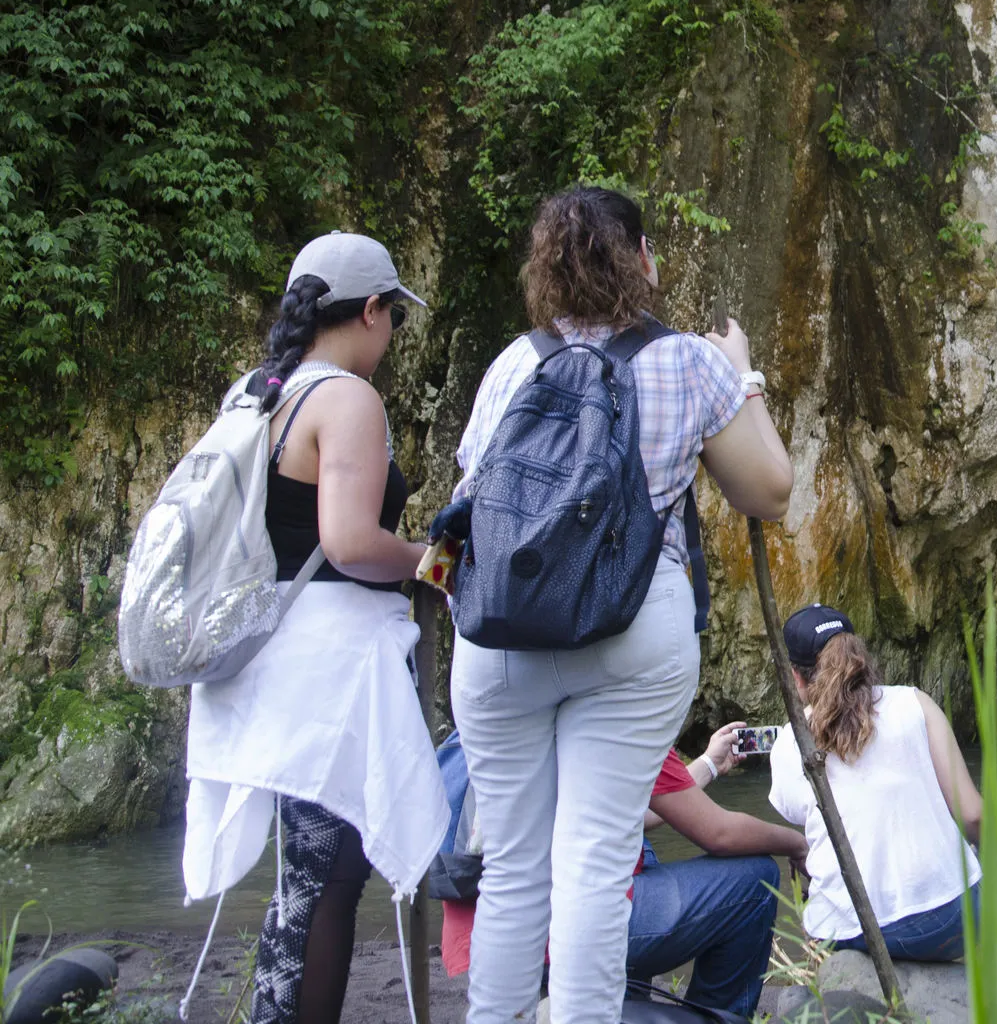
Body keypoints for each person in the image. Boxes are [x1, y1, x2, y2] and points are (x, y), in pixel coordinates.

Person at [451, 185, 794, 1024]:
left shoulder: (512, 363)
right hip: (631, 630)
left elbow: (471, 501)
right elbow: (769, 492)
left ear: (545, 269)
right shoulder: (685, 361)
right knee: (594, 868)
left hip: (498, 635)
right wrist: (744, 373)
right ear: (643, 259)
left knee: (514, 871)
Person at [181, 232, 445, 1024]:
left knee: (304, 878)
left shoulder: (259, 391)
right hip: (327, 668)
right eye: (394, 316)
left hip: (260, 654)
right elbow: (350, 542)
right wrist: (432, 563)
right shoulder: (346, 398)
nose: (392, 333)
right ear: (371, 310)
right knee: (327, 880)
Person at [768, 605, 997, 980]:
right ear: (858, 655)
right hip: (947, 919)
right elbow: (973, 815)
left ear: (795, 676)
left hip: (847, 933)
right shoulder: (914, 703)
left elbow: (802, 817)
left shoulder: (790, 741)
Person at [437, 723, 807, 1019]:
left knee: (635, 849)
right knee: (756, 879)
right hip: (566, 930)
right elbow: (719, 833)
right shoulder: (618, 710)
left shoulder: (504, 706)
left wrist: (709, 764)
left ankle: (620, 1001)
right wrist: (798, 844)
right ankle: (712, 1017)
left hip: (485, 933)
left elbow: (633, 813)